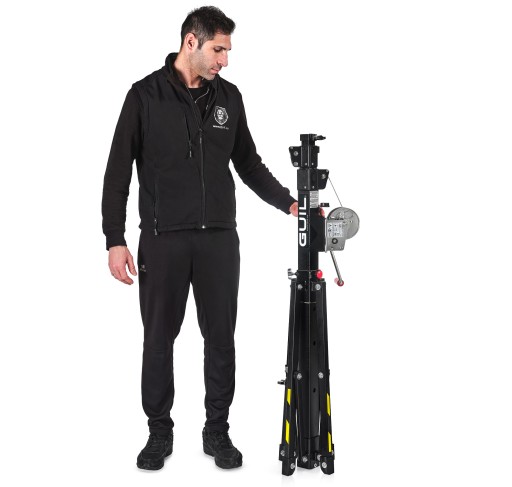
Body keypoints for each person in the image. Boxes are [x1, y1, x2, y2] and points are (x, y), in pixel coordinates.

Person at [101, 6, 299, 471]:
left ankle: (217, 430)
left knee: (221, 339)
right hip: (163, 240)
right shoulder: (144, 96)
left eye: (227, 51)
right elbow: (117, 172)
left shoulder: (228, 96)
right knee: (158, 339)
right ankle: (159, 431)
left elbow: (248, 163)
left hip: (218, 241)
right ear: (191, 42)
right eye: (219, 50)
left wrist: (289, 203)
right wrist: (115, 238)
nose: (225, 60)